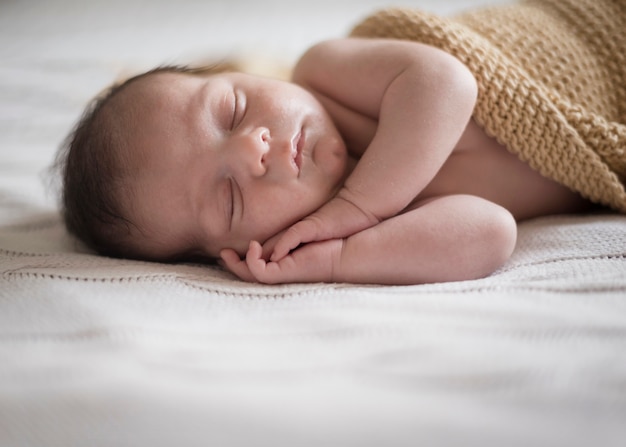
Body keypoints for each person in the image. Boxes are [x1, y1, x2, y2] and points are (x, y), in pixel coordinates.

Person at [56, 36, 598, 285]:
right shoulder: (368, 229)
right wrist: (339, 257)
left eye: (232, 110)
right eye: (229, 196)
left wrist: (360, 205)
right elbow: (492, 232)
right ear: (239, 252)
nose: (252, 149)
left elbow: (448, 82)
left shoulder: (327, 72)